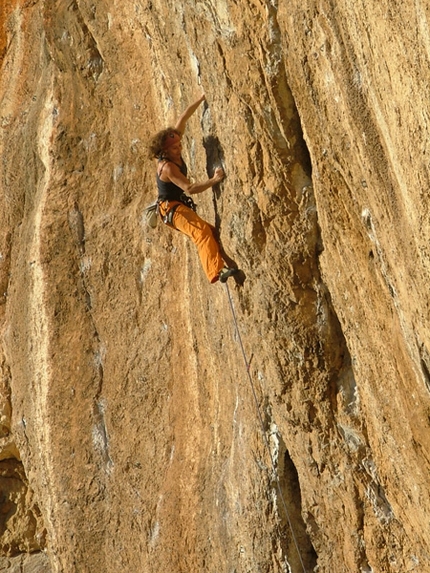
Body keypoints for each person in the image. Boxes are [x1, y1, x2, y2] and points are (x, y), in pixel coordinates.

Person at [148, 94, 238, 284]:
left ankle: (229, 265)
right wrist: (214, 180)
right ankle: (216, 272)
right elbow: (190, 188)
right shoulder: (168, 167)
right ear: (164, 151)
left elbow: (184, 117)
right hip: (171, 209)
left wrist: (202, 97)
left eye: (179, 145)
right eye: (174, 149)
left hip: (177, 206)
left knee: (212, 233)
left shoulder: (172, 139)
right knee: (201, 233)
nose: (178, 149)